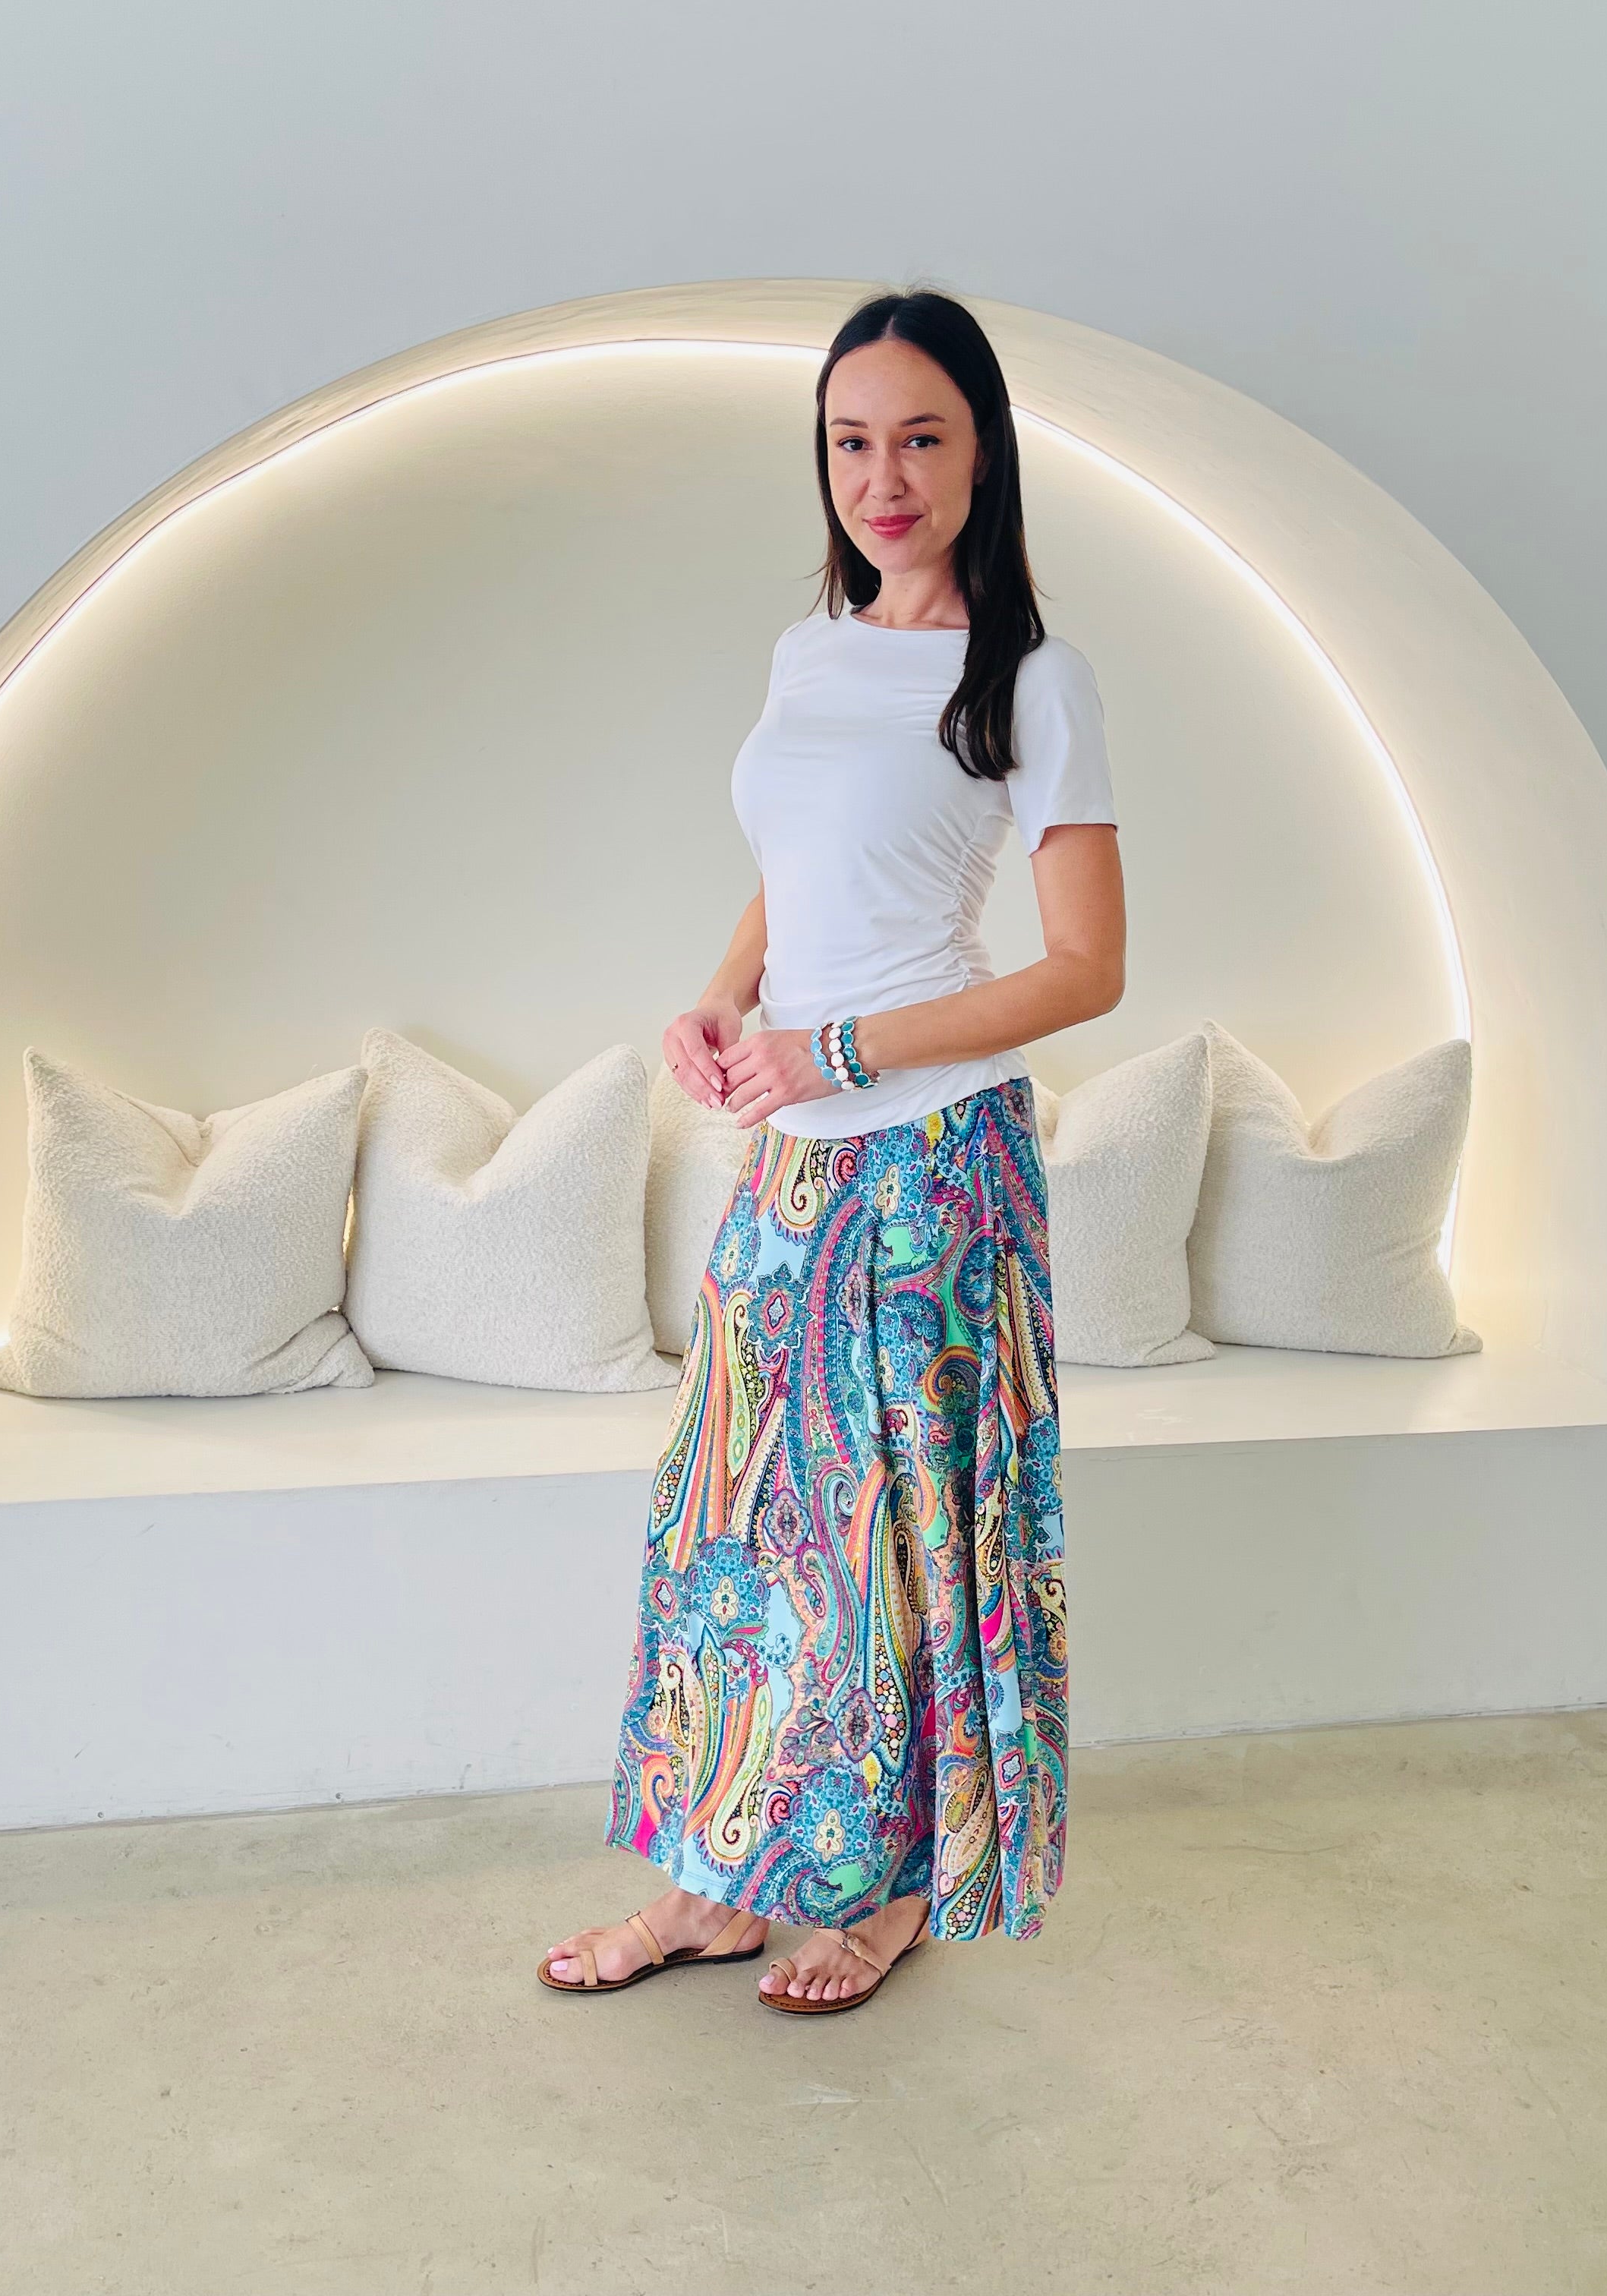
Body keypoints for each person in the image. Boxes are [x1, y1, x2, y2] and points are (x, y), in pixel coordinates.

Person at [537, 285, 1126, 2014]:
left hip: (936, 1162)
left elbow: (1087, 966)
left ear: (983, 454)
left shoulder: (1032, 676)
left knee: (888, 1549)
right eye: (853, 442)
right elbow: (795, 868)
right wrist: (721, 1001)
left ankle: (880, 1899)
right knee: (730, 1534)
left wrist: (835, 1044)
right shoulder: (813, 652)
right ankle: (716, 1882)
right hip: (793, 1145)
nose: (885, 476)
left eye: (922, 439)